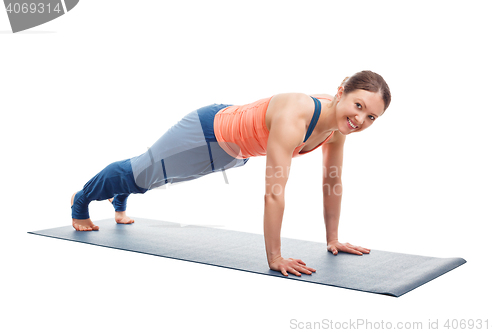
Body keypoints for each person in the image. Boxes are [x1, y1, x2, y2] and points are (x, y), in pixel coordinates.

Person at [70, 70, 391, 277]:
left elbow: (332, 182)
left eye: (372, 117)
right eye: (359, 106)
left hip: (235, 153)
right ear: (341, 91)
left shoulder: (337, 129)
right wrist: (275, 257)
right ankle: (81, 201)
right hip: (206, 133)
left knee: (149, 175)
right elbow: (274, 191)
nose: (360, 119)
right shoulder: (297, 114)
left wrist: (332, 239)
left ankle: (122, 195)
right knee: (141, 172)